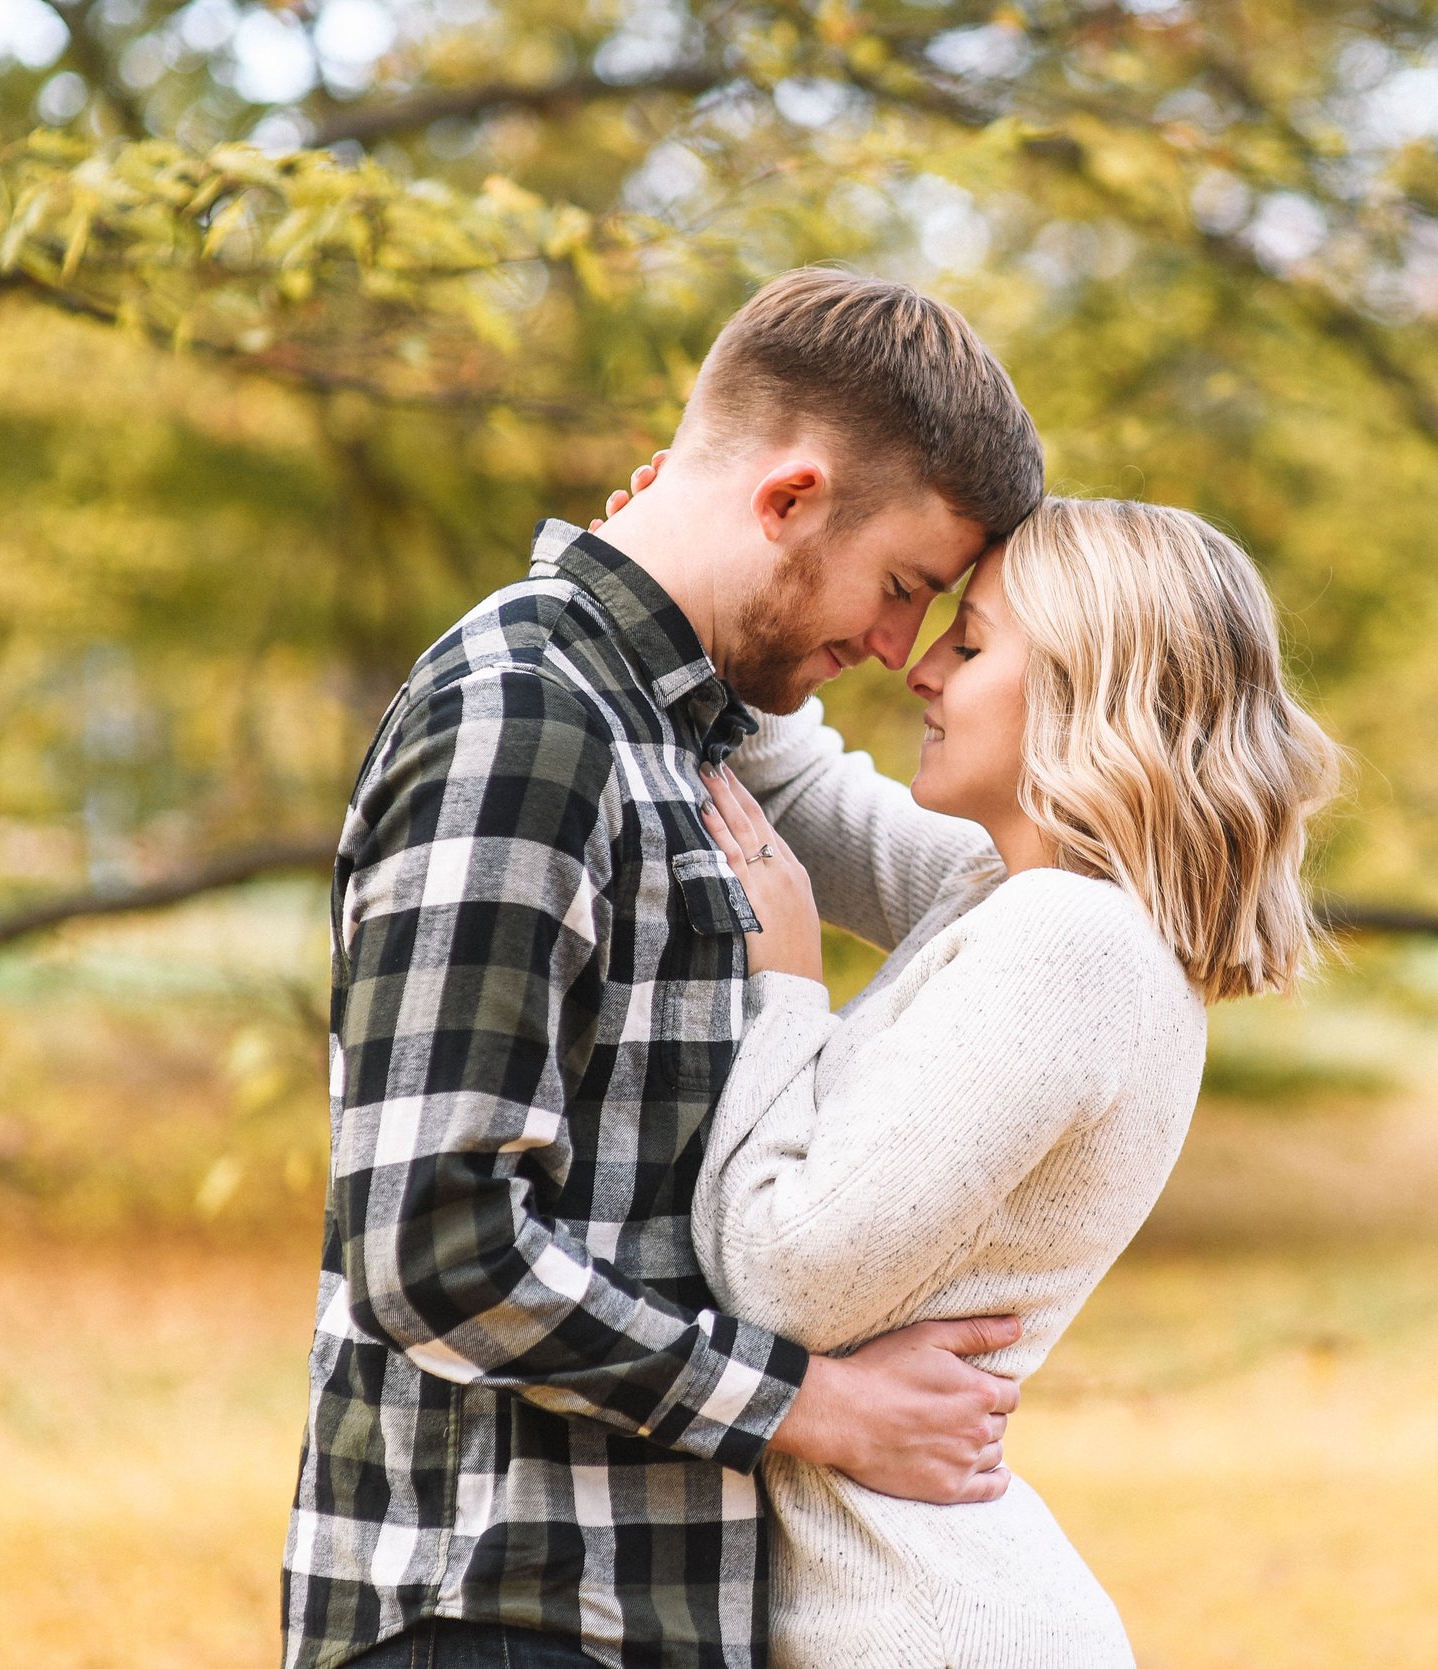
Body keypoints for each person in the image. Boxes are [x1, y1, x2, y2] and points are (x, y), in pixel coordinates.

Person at [283, 269, 1051, 1669]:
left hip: (628, 1615)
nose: (897, 648)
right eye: (902, 589)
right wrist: (813, 1406)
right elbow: (433, 1248)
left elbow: (987, 871)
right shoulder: (526, 711)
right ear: (789, 496)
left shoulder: (679, 727)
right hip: (492, 1612)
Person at [688, 495, 1340, 1666]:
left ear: (1095, 694)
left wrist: (783, 987)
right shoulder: (1017, 902)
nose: (921, 669)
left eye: (972, 642)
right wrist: (704, 564)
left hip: (919, 1626)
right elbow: (798, 802)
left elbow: (781, 1278)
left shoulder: (1073, 946)